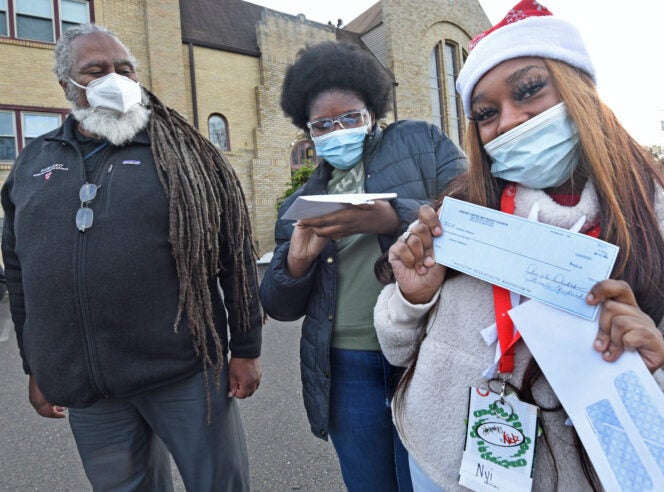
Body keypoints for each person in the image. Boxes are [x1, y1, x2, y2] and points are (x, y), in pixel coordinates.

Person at [373, 1, 664, 490]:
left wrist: (643, 377)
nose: (510, 120)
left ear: (580, 89)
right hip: (439, 465)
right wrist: (412, 298)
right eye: (486, 113)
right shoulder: (462, 215)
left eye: (530, 89)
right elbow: (396, 350)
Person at [1, 24, 263, 491]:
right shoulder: (33, 161)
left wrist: (246, 348)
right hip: (89, 386)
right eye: (96, 70)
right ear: (67, 85)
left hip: (183, 372)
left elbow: (234, 254)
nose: (115, 79)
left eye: (125, 69)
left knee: (219, 484)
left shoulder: (184, 155)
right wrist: (37, 365)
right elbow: (20, 272)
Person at [258, 41, 467, 491]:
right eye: (323, 125)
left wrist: (395, 217)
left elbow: (478, 216)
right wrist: (296, 262)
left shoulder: (420, 141)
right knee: (369, 481)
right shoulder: (299, 203)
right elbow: (278, 305)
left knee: (433, 478)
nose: (339, 130)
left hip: (425, 350)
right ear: (308, 132)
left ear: (372, 111)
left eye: (350, 117)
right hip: (346, 362)